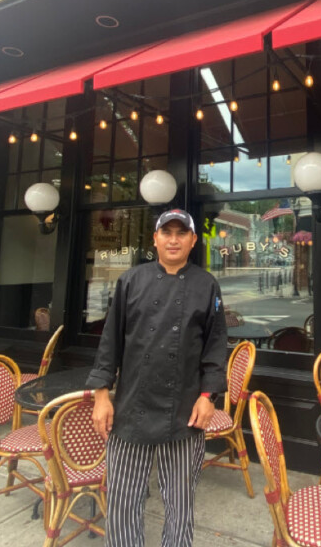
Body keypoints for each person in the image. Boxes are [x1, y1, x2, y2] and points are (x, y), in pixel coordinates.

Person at [87, 208, 227, 547]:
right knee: (122, 500)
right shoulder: (131, 280)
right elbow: (110, 343)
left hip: (183, 413)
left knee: (180, 504)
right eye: (167, 232)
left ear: (193, 240)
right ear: (155, 239)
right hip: (131, 408)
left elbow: (215, 347)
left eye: (182, 233)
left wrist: (209, 397)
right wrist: (102, 394)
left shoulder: (206, 285)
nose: (174, 239)